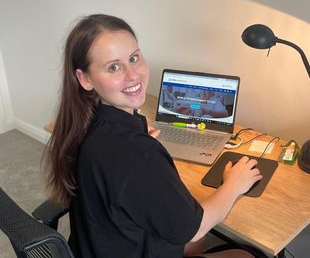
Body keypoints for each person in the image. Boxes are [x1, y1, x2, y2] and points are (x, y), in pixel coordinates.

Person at [43, 14, 262, 258]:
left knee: (197, 245)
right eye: (114, 67)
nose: (133, 75)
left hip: (101, 245)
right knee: (245, 254)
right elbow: (194, 228)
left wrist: (138, 143)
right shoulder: (137, 154)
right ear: (85, 78)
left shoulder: (81, 125)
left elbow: (119, 167)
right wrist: (234, 185)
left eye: (134, 58)